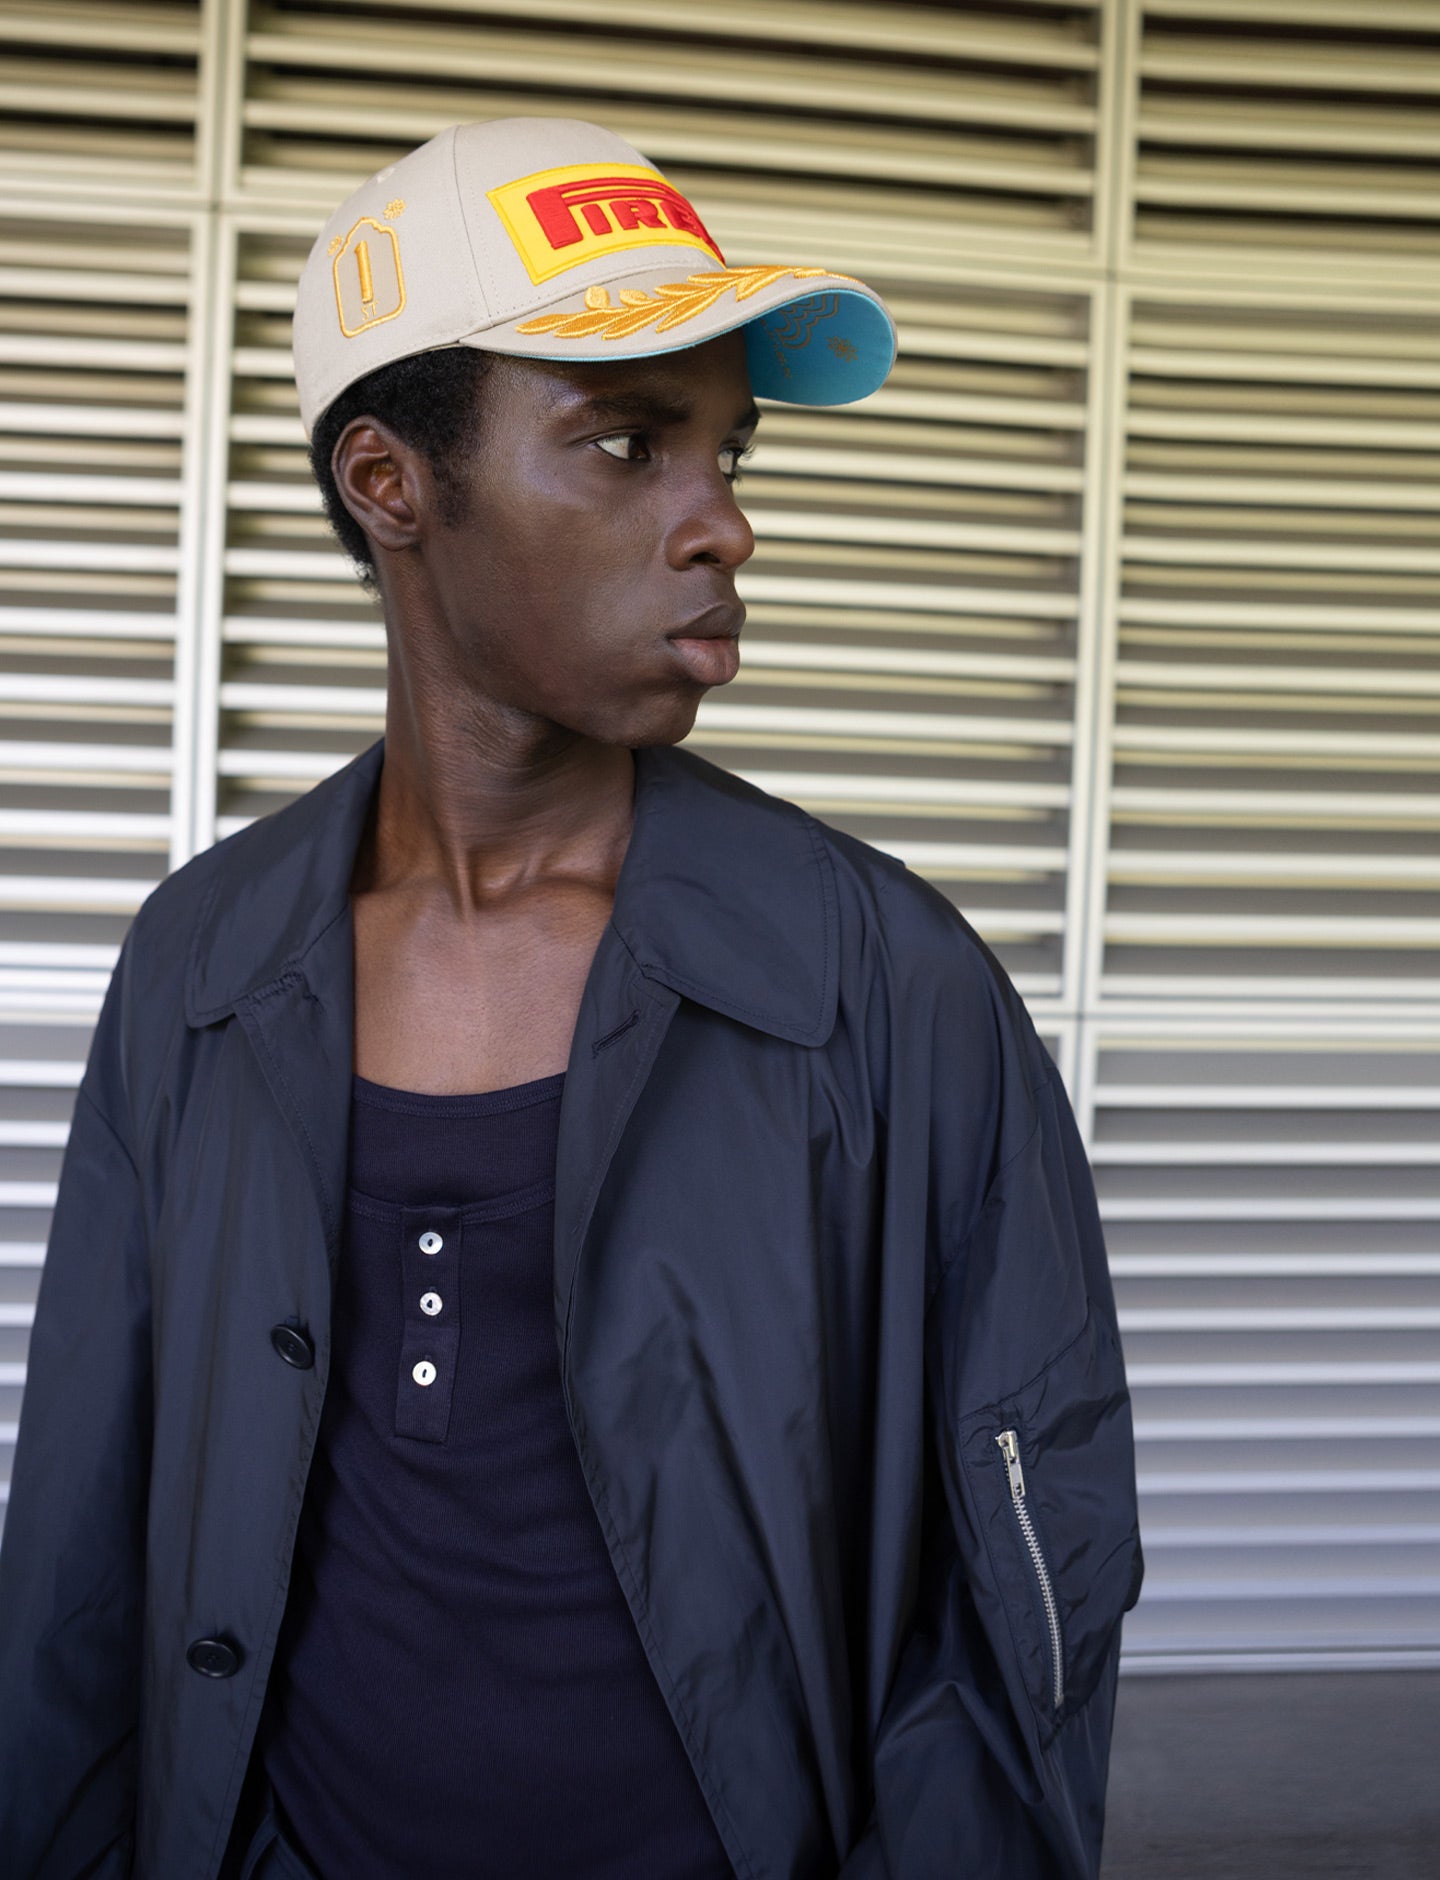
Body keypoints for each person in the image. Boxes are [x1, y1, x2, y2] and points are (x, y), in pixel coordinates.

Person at [0, 118, 1142, 1879]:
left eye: (729, 451)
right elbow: (81, 1542)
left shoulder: (881, 981)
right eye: (625, 445)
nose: (726, 524)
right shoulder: (203, 969)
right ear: (393, 484)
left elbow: (1025, 1581)